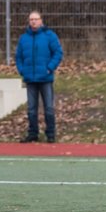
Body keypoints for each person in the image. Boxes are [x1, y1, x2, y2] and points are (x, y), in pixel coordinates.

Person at [14, 10, 63, 143]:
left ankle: (51, 134)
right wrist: (22, 70)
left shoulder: (49, 36)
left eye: (36, 19)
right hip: (30, 79)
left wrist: (49, 68)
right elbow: (18, 57)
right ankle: (33, 133)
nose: (33, 21)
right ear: (29, 21)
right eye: (31, 19)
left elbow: (58, 53)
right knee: (31, 109)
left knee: (48, 108)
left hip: (45, 78)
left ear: (41, 20)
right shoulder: (24, 38)